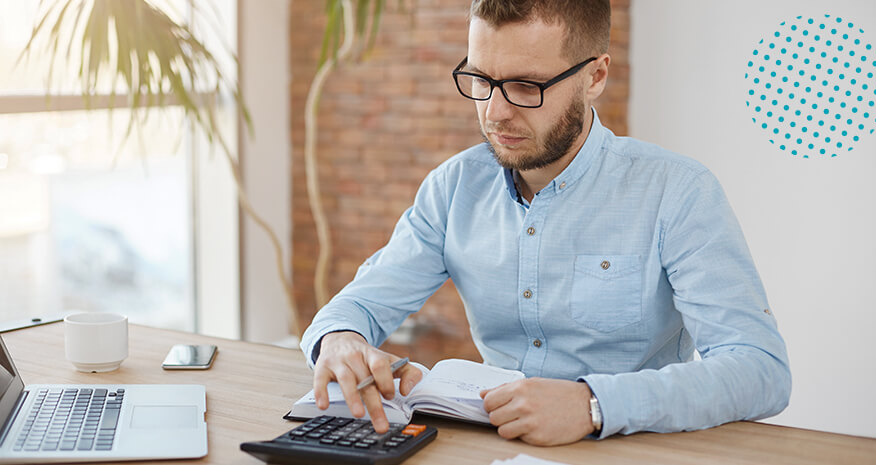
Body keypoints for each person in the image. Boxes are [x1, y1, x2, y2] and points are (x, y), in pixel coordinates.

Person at [300, 0, 791, 446]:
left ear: (595, 76)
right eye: (481, 81)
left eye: (525, 86)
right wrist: (341, 340)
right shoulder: (454, 188)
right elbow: (359, 305)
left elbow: (760, 370)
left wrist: (594, 404)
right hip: (491, 447)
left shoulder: (678, 192)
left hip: (633, 449)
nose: (495, 112)